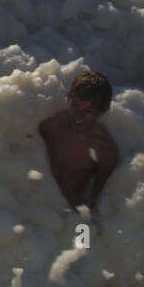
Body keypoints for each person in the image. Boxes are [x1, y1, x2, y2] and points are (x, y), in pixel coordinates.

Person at [38, 70, 120, 213]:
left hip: (68, 211)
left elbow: (96, 197)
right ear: (68, 98)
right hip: (40, 198)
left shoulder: (105, 151)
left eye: (88, 110)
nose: (78, 115)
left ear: (102, 113)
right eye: (74, 105)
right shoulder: (50, 126)